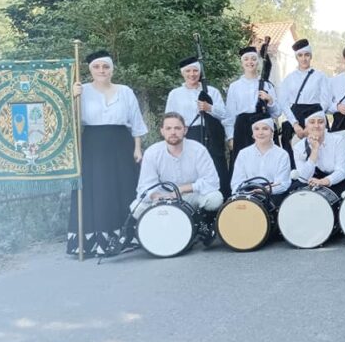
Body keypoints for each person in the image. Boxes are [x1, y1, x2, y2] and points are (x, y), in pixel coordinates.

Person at [68, 50, 147, 257]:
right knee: (98, 189)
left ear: (112, 69)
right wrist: (71, 98)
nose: (101, 70)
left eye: (106, 67)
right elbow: (69, 122)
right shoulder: (81, 90)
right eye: (96, 67)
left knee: (122, 187)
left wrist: (137, 148)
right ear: (90, 70)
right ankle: (94, 241)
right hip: (93, 145)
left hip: (121, 143)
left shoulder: (125, 91)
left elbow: (136, 121)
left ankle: (126, 237)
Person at [132, 112, 223, 244]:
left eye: (177, 128)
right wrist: (156, 196)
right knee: (136, 207)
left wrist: (180, 190)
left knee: (215, 198)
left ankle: (202, 224)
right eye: (168, 128)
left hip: (191, 195)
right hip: (164, 197)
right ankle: (162, 231)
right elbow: (144, 187)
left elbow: (212, 181)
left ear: (185, 130)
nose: (173, 132)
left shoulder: (198, 150)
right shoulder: (152, 153)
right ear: (162, 131)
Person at [165, 56, 229, 198]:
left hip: (211, 135)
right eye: (188, 71)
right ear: (183, 73)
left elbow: (225, 114)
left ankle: (219, 202)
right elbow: (170, 118)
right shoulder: (175, 94)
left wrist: (209, 108)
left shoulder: (212, 91)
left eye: (195, 70)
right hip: (188, 134)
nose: (192, 74)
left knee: (215, 167)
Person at [223, 46, 280, 176]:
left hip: (263, 127)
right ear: (242, 62)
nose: (250, 62)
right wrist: (231, 137)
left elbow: (277, 113)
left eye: (253, 59)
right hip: (242, 129)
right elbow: (230, 115)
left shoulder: (267, 84)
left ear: (258, 62)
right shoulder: (235, 86)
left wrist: (270, 100)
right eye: (246, 59)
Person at [278, 38, 331, 167]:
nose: (304, 58)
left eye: (307, 55)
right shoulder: (289, 78)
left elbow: (325, 100)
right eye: (300, 55)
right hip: (295, 116)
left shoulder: (320, 76)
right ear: (297, 57)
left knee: (320, 151)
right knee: (293, 152)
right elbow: (283, 102)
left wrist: (312, 123)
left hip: (315, 114)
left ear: (311, 56)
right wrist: (295, 124)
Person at [230, 117, 292, 206]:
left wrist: (264, 190)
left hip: (273, 195)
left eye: (265, 128)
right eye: (257, 129)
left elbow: (283, 184)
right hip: (248, 194)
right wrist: (246, 193)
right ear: (253, 133)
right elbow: (236, 182)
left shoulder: (282, 155)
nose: (260, 132)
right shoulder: (243, 154)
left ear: (272, 133)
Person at [292, 108, 345, 196]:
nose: (316, 126)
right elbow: (303, 178)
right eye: (312, 122)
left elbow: (342, 171)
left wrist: (323, 181)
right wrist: (314, 150)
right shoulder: (299, 147)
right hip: (313, 182)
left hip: (338, 181)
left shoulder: (338, 140)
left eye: (320, 122)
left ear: (325, 124)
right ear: (306, 126)